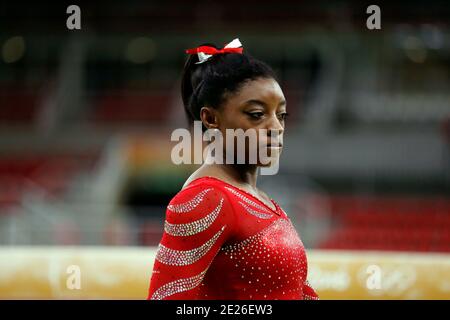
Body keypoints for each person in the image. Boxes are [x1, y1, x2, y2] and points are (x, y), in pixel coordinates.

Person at [148, 38, 318, 300]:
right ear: (211, 119)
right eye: (257, 114)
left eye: (281, 115)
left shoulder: (262, 201)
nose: (276, 128)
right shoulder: (205, 199)